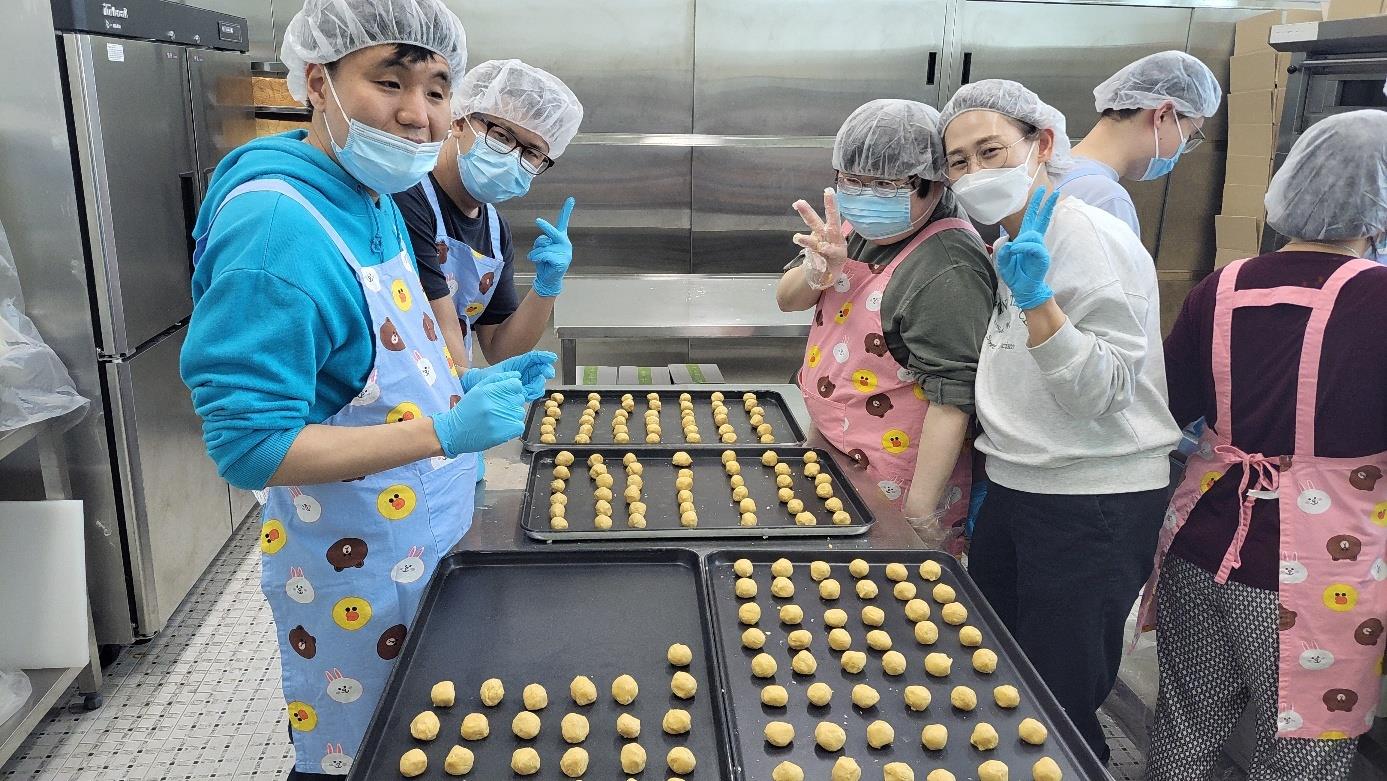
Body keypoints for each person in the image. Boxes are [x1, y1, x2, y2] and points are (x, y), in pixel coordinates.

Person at [180, 1, 554, 776]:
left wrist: (464, 396)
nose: (417, 114)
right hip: (351, 568)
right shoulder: (276, 225)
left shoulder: (369, 197)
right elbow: (249, 446)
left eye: (438, 89)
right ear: (318, 81)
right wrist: (443, 433)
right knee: (357, 751)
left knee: (415, 735)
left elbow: (392, 365)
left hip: (423, 535)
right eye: (389, 82)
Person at [938, 79, 1180, 763]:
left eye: (991, 151)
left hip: (1090, 500)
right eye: (958, 162)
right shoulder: (1016, 237)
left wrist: (1039, 299)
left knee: (1057, 698)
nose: (974, 173)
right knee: (1003, 680)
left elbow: (1101, 390)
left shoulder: (1086, 240)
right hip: (1023, 487)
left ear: (1041, 143)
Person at [1143, 110, 1387, 781]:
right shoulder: (1380, 297)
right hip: (1319, 573)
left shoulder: (1219, 287)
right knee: (1301, 754)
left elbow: (1167, 407)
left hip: (1200, 543)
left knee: (1185, 726)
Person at [777, 99, 995, 545]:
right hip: (835, 451)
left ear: (931, 181)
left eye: (885, 184)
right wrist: (818, 272)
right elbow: (787, 300)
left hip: (894, 478)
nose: (865, 195)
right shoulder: (856, 228)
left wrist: (918, 511)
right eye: (853, 181)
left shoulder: (948, 266)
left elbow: (952, 396)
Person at [396, 59, 583, 370]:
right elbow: (441, 332)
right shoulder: (407, 196)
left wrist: (546, 287)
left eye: (531, 153)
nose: (513, 158)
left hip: (445, 396)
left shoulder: (496, 232)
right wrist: (475, 387)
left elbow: (500, 348)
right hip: (396, 400)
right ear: (459, 121)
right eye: (502, 137)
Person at [1062, 50, 1221, 236]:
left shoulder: (1049, 170)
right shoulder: (1106, 200)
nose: (1182, 146)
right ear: (1162, 115)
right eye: (1189, 134)